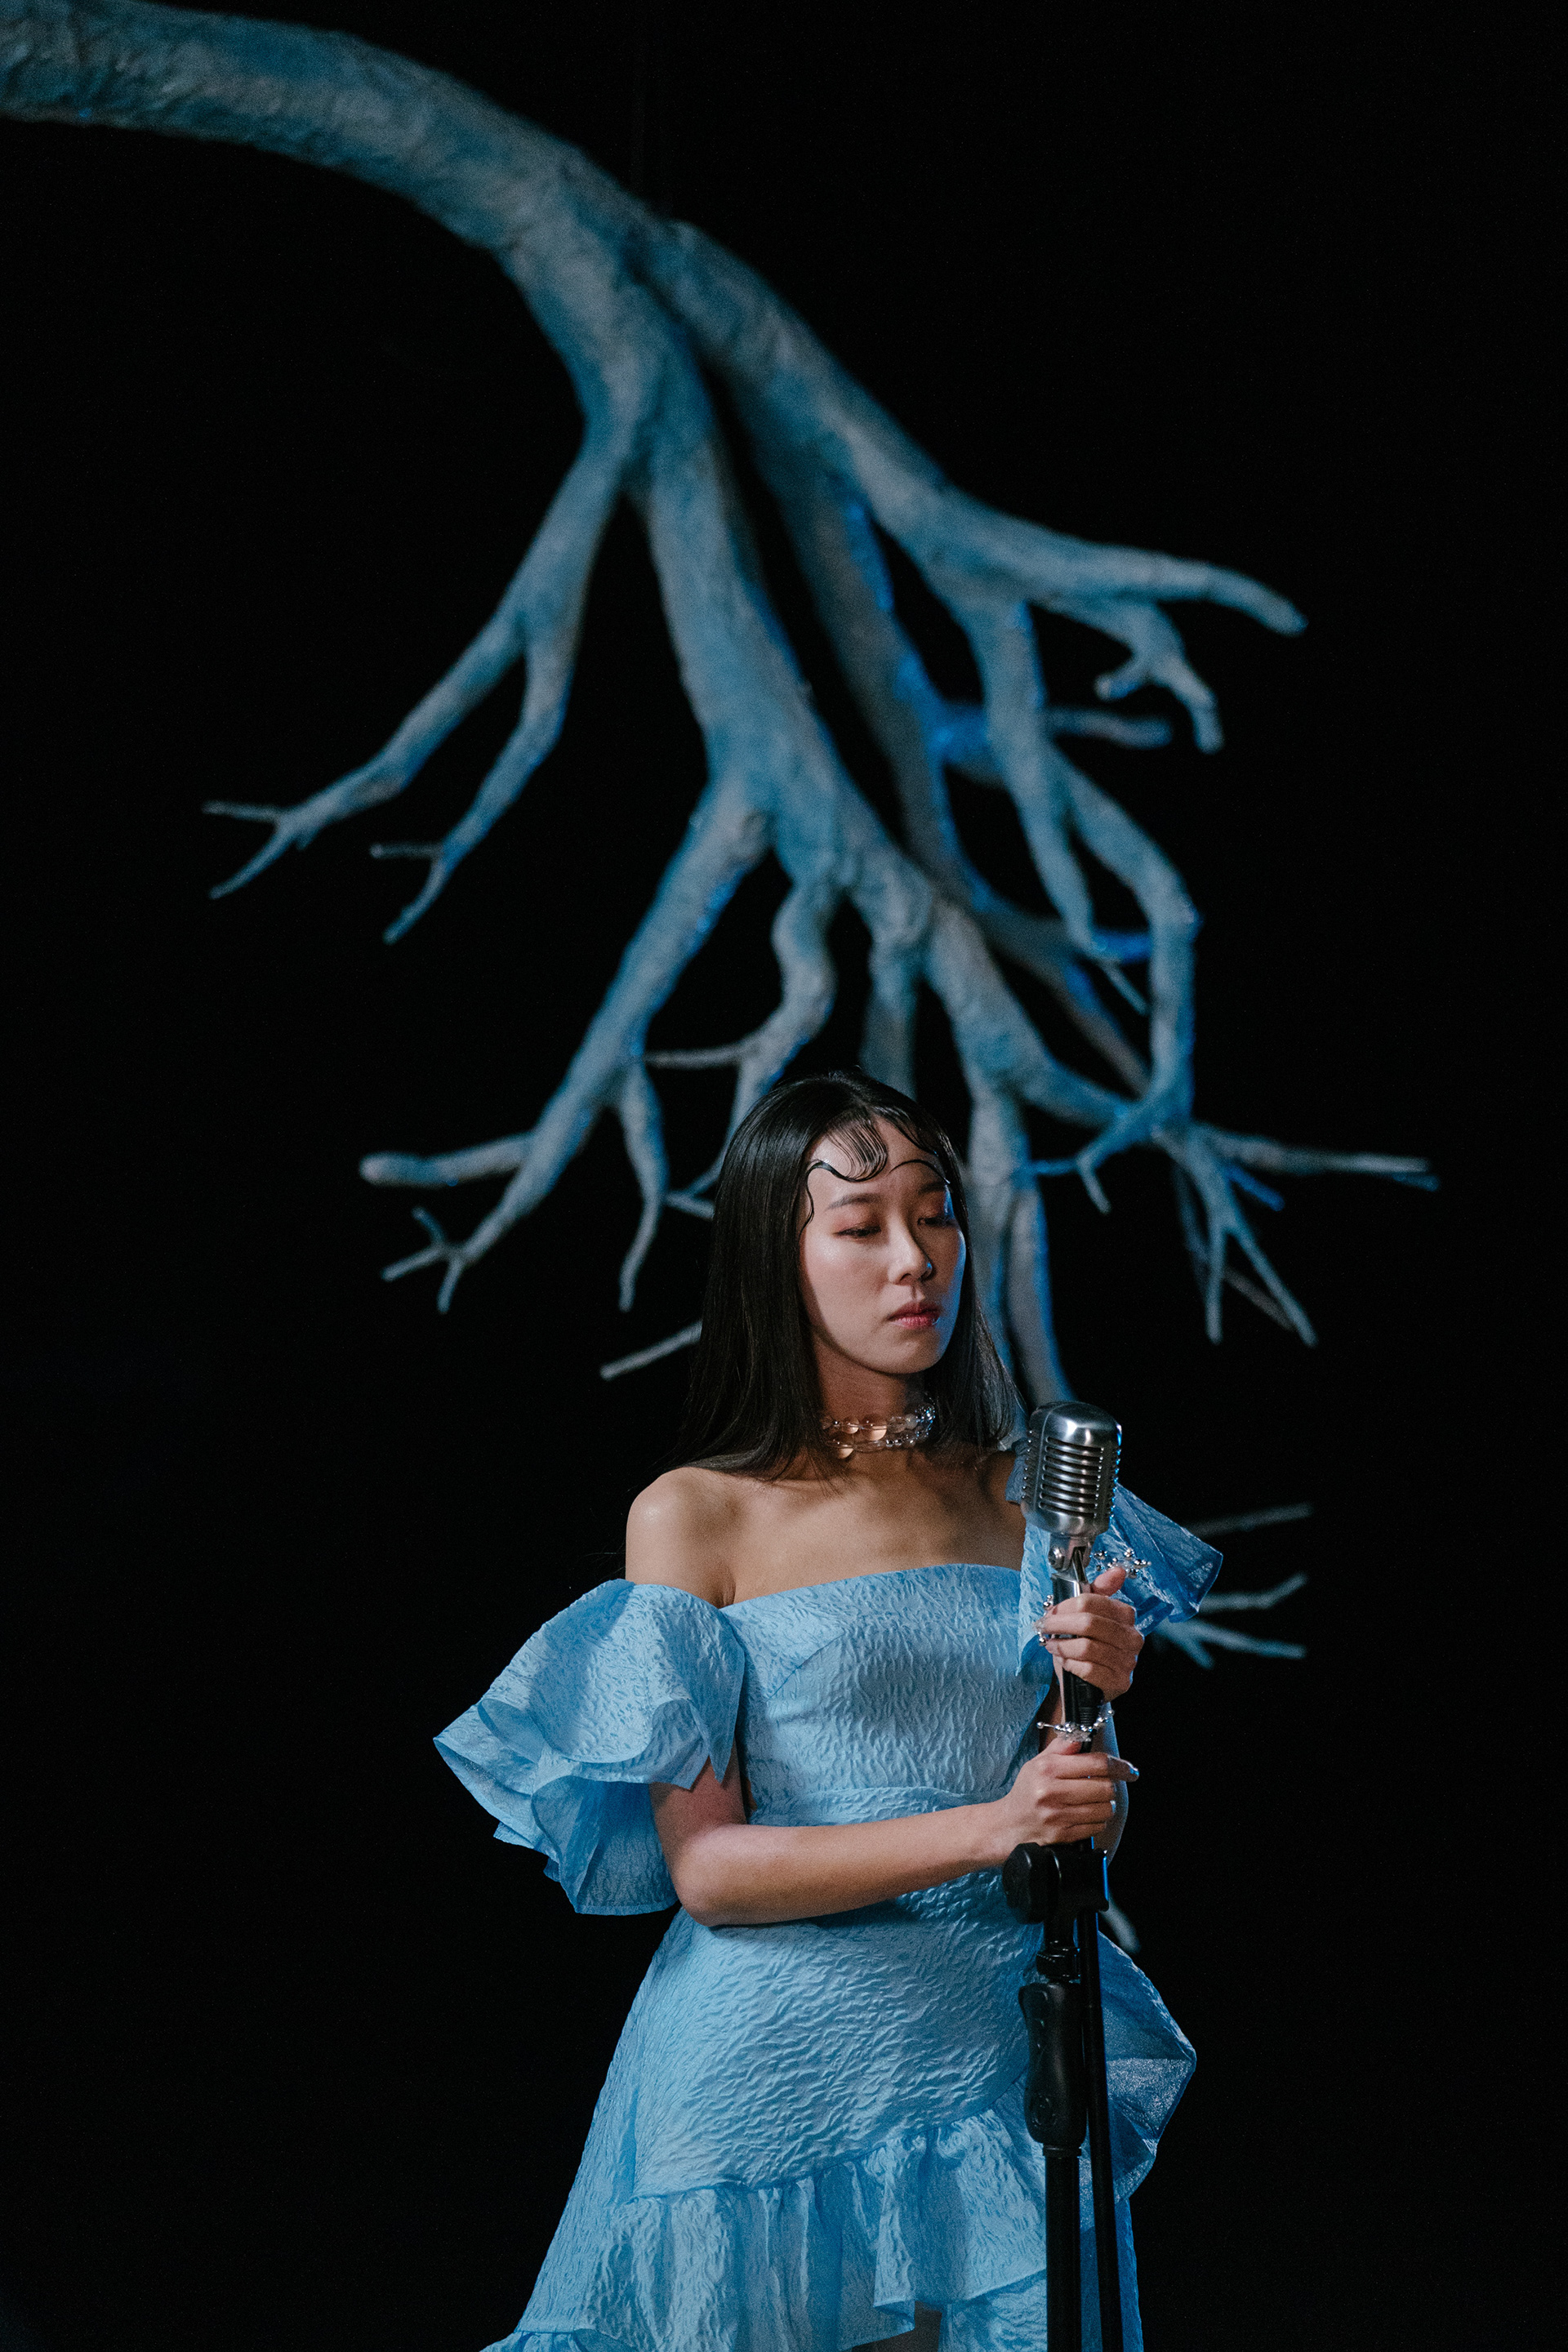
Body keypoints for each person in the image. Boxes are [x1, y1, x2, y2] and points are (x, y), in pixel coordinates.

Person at [438, 1071, 1218, 2351]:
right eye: (860, 1226)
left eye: (936, 1214)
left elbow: (1082, 1832)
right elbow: (708, 1871)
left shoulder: (1030, 1497)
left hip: (988, 2066)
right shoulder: (698, 1514)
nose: (915, 1259)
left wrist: (1091, 1704)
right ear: (776, 1259)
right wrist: (992, 1826)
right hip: (768, 2087)